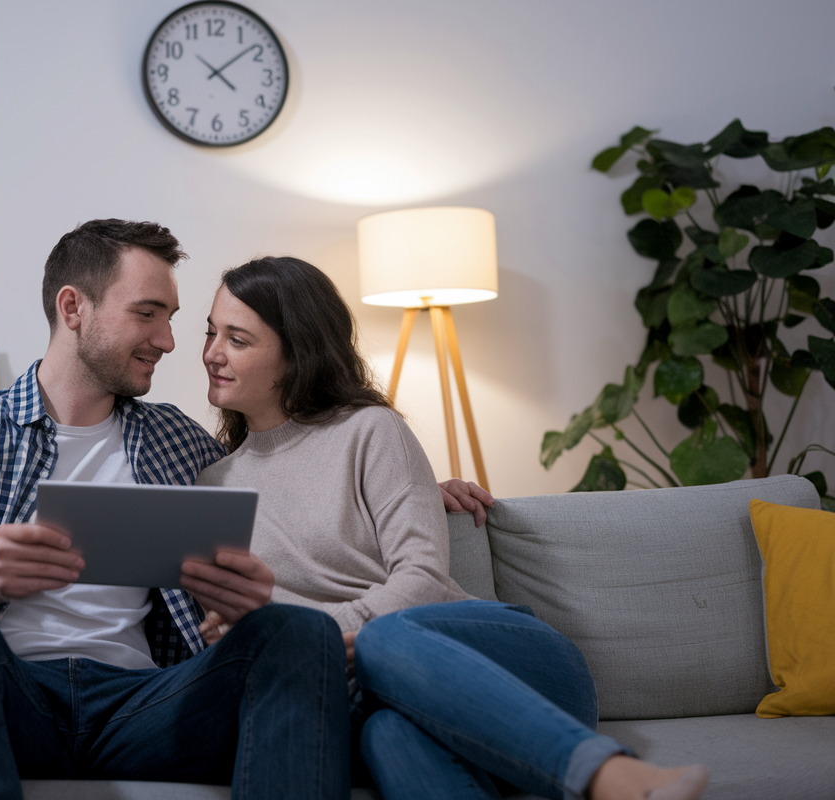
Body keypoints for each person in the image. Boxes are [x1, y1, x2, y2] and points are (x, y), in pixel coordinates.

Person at [194, 256, 709, 800]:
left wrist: (313, 636)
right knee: (387, 736)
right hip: (370, 701)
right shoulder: (214, 486)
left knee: (387, 637)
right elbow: (233, 618)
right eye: (210, 333)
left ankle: (610, 776)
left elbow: (418, 580)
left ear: (296, 352)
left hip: (499, 665)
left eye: (238, 339)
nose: (211, 354)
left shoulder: (371, 431)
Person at [0, 220, 351, 800]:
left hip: (144, 706)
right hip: (6, 695)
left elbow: (279, 468)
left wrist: (419, 487)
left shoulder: (178, 441)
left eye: (172, 319)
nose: (171, 341)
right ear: (73, 307)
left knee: (298, 631)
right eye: (147, 313)